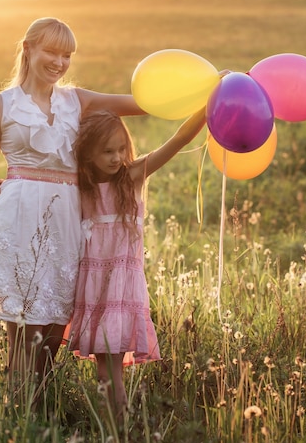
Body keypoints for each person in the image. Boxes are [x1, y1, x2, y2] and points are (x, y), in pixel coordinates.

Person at [0, 17, 145, 395]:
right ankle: (22, 410)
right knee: (22, 325)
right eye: (52, 52)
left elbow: (141, 104)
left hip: (66, 221)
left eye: (67, 55)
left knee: (56, 324)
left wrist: (204, 94)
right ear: (28, 49)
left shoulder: (77, 100)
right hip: (16, 218)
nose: (59, 62)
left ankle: (34, 403)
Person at [67, 106, 206, 418]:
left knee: (110, 371)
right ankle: (117, 429)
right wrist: (3, 186)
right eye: (107, 152)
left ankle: (119, 430)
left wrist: (208, 107)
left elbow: (179, 139)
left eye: (121, 149)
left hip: (122, 291)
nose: (117, 157)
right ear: (87, 154)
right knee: (106, 371)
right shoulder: (79, 187)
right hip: (94, 292)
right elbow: (39, 184)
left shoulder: (132, 177)